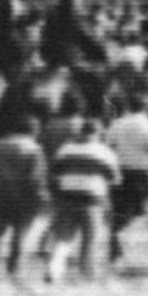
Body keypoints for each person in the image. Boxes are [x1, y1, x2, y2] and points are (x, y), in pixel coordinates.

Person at [0, 118, 50, 281]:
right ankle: (14, 269)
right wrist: (41, 196)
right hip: (23, 198)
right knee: (20, 234)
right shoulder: (35, 149)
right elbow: (35, 177)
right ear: (34, 131)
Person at [49, 115, 120, 281]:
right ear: (99, 133)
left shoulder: (65, 149)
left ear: (80, 132)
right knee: (90, 237)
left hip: (67, 196)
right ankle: (86, 273)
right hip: (92, 198)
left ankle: (54, 268)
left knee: (64, 236)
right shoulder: (105, 152)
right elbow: (115, 179)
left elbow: (54, 173)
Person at [106, 95, 148, 266]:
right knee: (138, 211)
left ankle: (114, 242)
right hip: (140, 172)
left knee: (118, 209)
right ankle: (119, 237)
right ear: (147, 108)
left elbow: (109, 147)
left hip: (118, 170)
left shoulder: (116, 124)